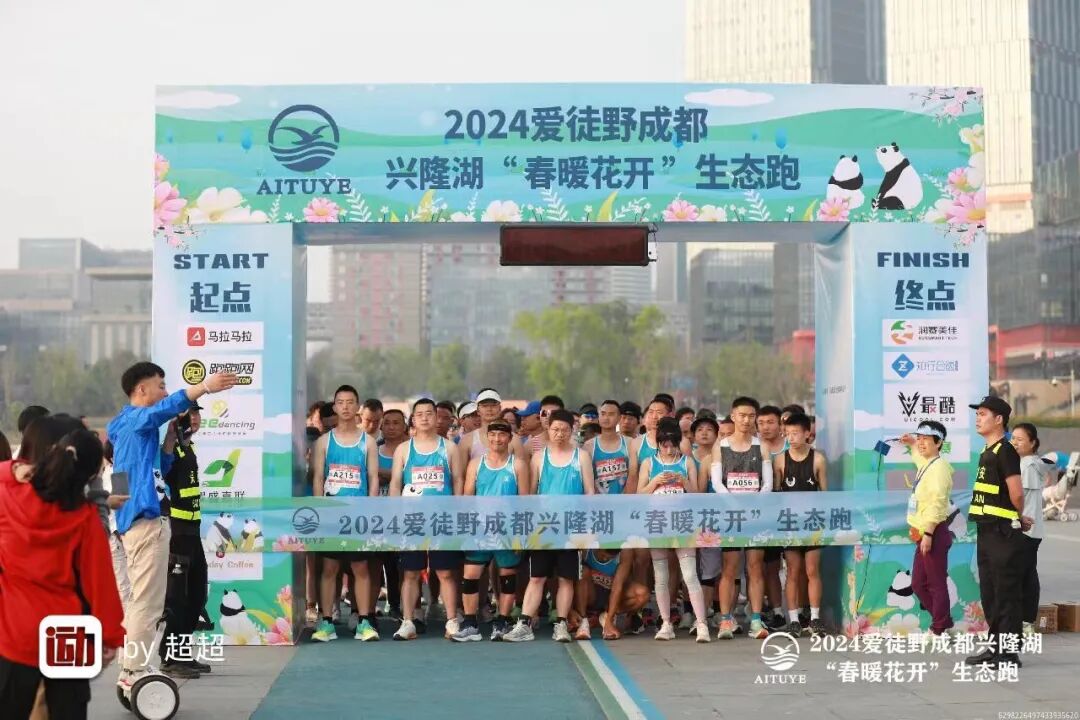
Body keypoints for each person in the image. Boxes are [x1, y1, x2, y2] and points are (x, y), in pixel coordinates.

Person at [108, 362, 236, 689]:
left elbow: (156, 471)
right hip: (146, 523)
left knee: (143, 601)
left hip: (140, 521)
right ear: (141, 389)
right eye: (161, 385)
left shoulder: (131, 428)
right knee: (148, 604)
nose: (165, 392)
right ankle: (134, 670)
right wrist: (204, 386)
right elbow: (164, 408)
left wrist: (168, 443)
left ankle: (131, 667)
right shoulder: (135, 419)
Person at [0, 425, 124, 719]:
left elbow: (4, 472)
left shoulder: (9, 497)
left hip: (14, 634)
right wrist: (109, 638)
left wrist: (15, 470)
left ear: (53, 453)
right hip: (65, 637)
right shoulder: (84, 518)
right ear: (91, 476)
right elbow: (100, 584)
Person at [504, 409, 595, 643]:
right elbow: (530, 494)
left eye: (564, 430)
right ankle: (524, 623)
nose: (560, 434)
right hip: (543, 527)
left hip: (571, 527)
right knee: (537, 577)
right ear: (548, 429)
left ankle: (561, 624)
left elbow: (589, 493)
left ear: (572, 430)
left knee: (566, 578)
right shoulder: (539, 458)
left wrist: (586, 529)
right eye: (555, 429)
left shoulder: (581, 457)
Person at [390, 398, 464, 641]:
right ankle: (408, 621)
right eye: (419, 414)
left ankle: (452, 621)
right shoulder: (404, 449)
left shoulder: (449, 448)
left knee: (445, 572)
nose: (424, 417)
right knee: (410, 573)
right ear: (412, 419)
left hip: (443, 519)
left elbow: (458, 482)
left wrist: (457, 512)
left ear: (437, 417)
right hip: (412, 520)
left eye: (429, 413)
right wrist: (395, 515)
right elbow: (395, 484)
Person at [310, 385, 380, 642]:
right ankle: (326, 622)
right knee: (329, 568)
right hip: (331, 515)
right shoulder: (323, 442)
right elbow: (318, 478)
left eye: (350, 402)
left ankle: (364, 621)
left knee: (361, 568)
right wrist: (321, 511)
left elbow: (373, 478)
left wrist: (370, 510)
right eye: (341, 402)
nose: (346, 407)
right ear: (335, 406)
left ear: (357, 406)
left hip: (359, 516)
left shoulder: (368, 442)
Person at [453, 420, 530, 642]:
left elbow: (524, 502)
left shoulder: (518, 465)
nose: (497, 439)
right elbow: (468, 497)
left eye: (502, 435)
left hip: (507, 529)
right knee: (470, 575)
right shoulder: (476, 464)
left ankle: (502, 622)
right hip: (480, 529)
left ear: (510, 438)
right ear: (487, 438)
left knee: (507, 576)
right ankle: (470, 624)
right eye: (493, 435)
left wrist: (520, 533)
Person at [965, 396, 1026, 669]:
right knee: (990, 594)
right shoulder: (987, 451)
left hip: (1003, 533)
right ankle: (995, 648)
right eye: (977, 414)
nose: (978, 418)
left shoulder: (1006, 451)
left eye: (983, 414)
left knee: (1006, 594)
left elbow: (1016, 493)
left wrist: (1016, 516)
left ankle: (1009, 654)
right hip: (987, 530)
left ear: (999, 419)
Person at [637, 417, 710, 642]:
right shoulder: (649, 463)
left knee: (689, 575)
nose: (669, 450)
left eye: (672, 445)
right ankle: (666, 623)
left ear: (679, 443)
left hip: (683, 523)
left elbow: (697, 495)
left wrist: (684, 482)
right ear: (658, 444)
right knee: (661, 576)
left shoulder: (687, 462)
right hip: (658, 523)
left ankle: (702, 624)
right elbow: (639, 494)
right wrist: (655, 482)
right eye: (664, 445)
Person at [709, 396, 774, 640]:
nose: (747, 420)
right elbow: (717, 483)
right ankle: (725, 619)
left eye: (751, 416)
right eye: (742, 415)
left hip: (756, 516)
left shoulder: (762, 446)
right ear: (733, 416)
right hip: (730, 516)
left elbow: (767, 483)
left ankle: (756, 620)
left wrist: (753, 505)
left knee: (755, 567)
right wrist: (735, 505)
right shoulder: (721, 447)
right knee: (729, 568)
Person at [159, 405, 212, 677]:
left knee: (197, 593)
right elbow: (162, 471)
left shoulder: (189, 448)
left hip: (192, 530)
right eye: (188, 415)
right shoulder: (170, 450)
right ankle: (170, 657)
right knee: (178, 598)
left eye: (197, 414)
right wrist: (171, 439)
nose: (194, 419)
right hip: (176, 533)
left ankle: (181, 652)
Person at [774, 412, 829, 637]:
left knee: (812, 570)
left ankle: (815, 618)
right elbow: (776, 495)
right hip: (789, 523)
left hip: (813, 522)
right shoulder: (780, 460)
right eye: (787, 434)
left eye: (795, 433)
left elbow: (825, 493)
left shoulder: (818, 460)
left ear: (808, 434)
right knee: (792, 571)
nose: (791, 438)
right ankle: (794, 620)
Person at [898, 420, 954, 638]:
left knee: (935, 583)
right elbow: (918, 458)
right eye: (919, 438)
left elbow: (938, 503)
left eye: (926, 439)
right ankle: (943, 622)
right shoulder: (928, 464)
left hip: (934, 533)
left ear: (938, 443)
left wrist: (929, 533)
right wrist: (912, 443)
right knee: (918, 584)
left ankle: (938, 629)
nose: (921, 443)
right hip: (923, 534)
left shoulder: (939, 469)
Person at [1011, 423, 1050, 637]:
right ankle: (1026, 621)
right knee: (1027, 574)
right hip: (1031, 530)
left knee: (1023, 577)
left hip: (1025, 529)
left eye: (1020, 439)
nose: (1015, 442)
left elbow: (1018, 498)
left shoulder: (1027, 465)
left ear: (1033, 443)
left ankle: (1026, 622)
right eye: (1013, 438)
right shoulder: (1033, 463)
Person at [370, 409, 407, 620]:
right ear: (381, 426)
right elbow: (367, 475)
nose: (391, 427)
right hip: (376, 517)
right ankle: (368, 610)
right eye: (387, 423)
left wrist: (384, 475)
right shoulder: (373, 451)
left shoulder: (410, 450)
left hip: (404, 517)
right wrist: (395, 477)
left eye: (396, 423)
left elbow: (408, 478)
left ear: (404, 426)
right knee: (375, 565)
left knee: (400, 566)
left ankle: (397, 605)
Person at [572, 549, 651, 641]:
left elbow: (617, 587)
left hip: (610, 595)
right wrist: (570, 611)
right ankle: (583, 620)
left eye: (610, 558)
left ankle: (605, 616)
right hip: (590, 594)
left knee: (642, 594)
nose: (605, 559)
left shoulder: (625, 552)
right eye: (603, 555)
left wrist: (609, 620)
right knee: (582, 571)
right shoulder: (586, 549)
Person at [458, 388, 529, 464]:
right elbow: (460, 471)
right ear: (478, 410)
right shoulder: (467, 441)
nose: (489, 409)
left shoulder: (514, 439)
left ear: (500, 408)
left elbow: (522, 469)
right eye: (485, 406)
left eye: (493, 405)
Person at [586, 400, 636, 496]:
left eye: (611, 414)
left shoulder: (630, 443)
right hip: (598, 502)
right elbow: (587, 481)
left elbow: (633, 476)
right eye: (603, 414)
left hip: (625, 500)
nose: (606, 418)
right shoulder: (589, 446)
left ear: (619, 418)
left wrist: (626, 499)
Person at [631, 396, 669, 467]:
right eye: (651, 412)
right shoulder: (637, 443)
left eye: (659, 412)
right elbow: (633, 473)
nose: (654, 416)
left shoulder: (682, 443)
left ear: (669, 415)